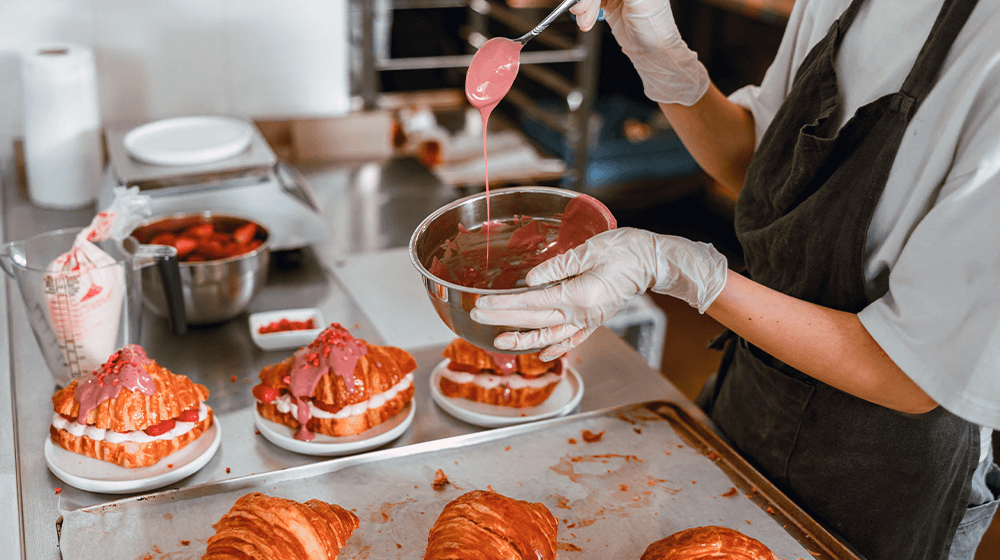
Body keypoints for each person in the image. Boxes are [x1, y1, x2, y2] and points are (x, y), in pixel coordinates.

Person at [469, 0, 1000, 557]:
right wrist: (663, 56)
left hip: (886, 472)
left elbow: (913, 376)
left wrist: (679, 270)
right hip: (756, 396)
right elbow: (758, 169)